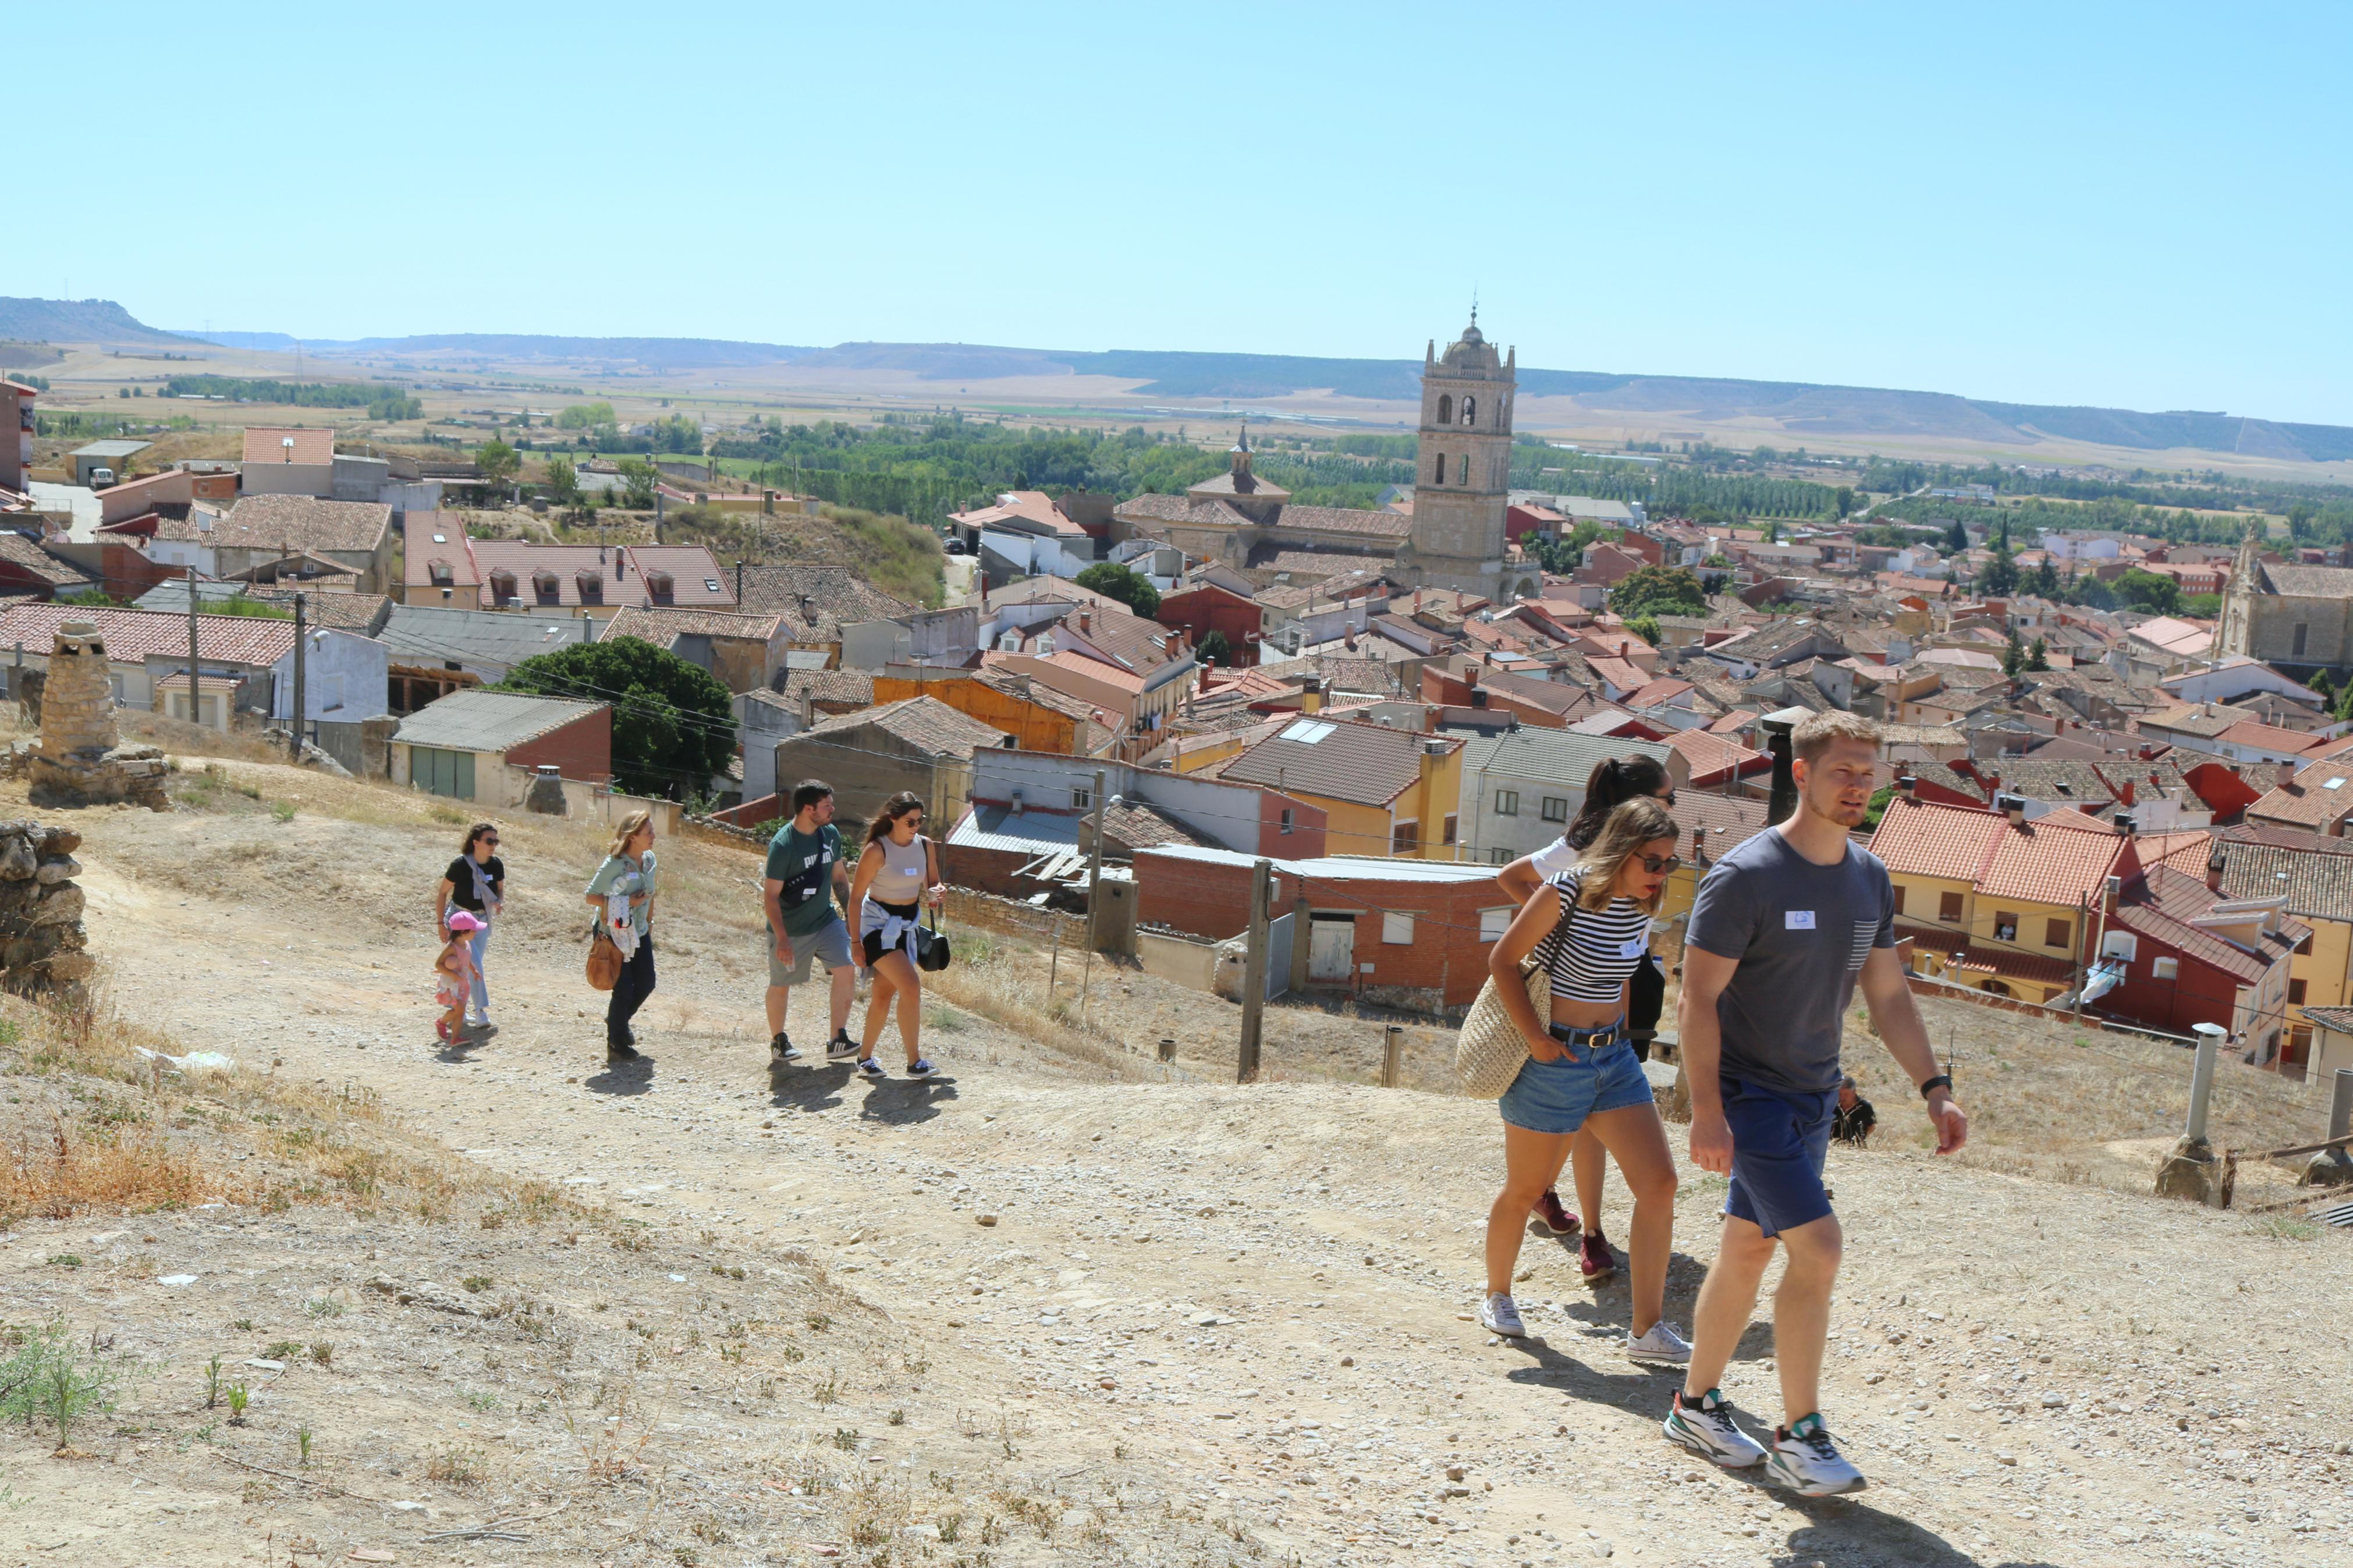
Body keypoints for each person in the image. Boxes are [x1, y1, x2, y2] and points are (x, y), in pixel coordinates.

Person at [1664, 711, 1967, 1496]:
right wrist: (1705, 1109)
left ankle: (1693, 1404)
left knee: (1746, 1248)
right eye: (1842, 771)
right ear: (1800, 774)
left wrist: (1933, 1088)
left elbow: (1885, 992)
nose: (1857, 785)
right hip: (1749, 1097)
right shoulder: (1745, 876)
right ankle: (1798, 1432)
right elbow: (1696, 998)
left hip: (1808, 1096)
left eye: (1867, 772)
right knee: (1819, 1247)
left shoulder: (1867, 876)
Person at [1478, 797, 1688, 1363]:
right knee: (1525, 1189)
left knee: (1659, 1185)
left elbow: (1620, 977)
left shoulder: (1642, 907)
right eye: (1652, 861)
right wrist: (1537, 1041)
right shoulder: (1565, 890)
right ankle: (1497, 1294)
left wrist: (1619, 1037)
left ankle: (1646, 1331)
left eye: (1669, 863)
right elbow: (1502, 960)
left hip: (1613, 1060)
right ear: (1621, 849)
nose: (1660, 875)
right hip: (1555, 1060)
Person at [1495, 754, 1677, 1284]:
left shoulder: (1650, 878)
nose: (1670, 805)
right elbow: (1511, 887)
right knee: (1544, 1161)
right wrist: (1553, 934)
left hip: (1616, 1016)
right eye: (1666, 796)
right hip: (1562, 1024)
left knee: (1609, 1136)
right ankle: (1552, 1233)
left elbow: (1627, 962)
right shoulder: (1578, 859)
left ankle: (1592, 1232)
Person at [845, 791, 946, 1081]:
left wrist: (938, 892)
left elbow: (933, 882)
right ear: (893, 819)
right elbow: (855, 900)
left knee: (883, 995)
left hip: (907, 926)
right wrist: (855, 943)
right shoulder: (877, 850)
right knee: (911, 985)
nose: (916, 827)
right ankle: (915, 1062)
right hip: (878, 927)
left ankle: (864, 1059)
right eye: (910, 821)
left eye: (920, 821)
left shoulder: (925, 846)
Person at [763, 780, 858, 1066]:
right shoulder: (783, 845)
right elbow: (770, 898)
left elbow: (839, 878)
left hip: (825, 920)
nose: (833, 809)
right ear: (808, 809)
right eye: (827, 805)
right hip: (790, 929)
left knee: (846, 967)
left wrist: (852, 917)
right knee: (781, 983)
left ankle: (837, 1040)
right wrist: (782, 939)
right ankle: (779, 1040)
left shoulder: (830, 834)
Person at [585, 810, 659, 1062]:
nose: (654, 836)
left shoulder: (650, 861)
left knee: (647, 983)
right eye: (649, 832)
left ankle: (618, 1020)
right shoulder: (615, 864)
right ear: (633, 835)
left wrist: (649, 922)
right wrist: (627, 900)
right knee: (624, 989)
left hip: (639, 931)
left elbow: (652, 894)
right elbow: (591, 896)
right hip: (613, 933)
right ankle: (616, 1042)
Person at [434, 823, 505, 1039]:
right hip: (460, 920)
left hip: (481, 921)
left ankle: (457, 1007)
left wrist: (498, 903)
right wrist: (440, 924)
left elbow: (500, 891)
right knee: (473, 963)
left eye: (496, 841)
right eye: (489, 841)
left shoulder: (496, 865)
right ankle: (480, 1011)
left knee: (467, 966)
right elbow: (442, 893)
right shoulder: (460, 865)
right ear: (476, 842)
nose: (493, 845)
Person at [434, 911, 482, 1044]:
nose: (476, 932)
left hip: (463, 984)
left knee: (460, 1012)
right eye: (473, 930)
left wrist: (474, 971)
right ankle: (442, 1023)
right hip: (453, 985)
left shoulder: (466, 944)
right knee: (459, 1010)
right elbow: (438, 964)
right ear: (464, 932)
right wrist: (452, 975)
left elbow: (467, 960)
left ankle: (455, 1039)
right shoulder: (452, 947)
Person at [1832, 1076, 1876, 1146]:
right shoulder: (1833, 1104)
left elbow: (1871, 1127)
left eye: (1846, 1094)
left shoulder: (1864, 1107)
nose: (1842, 1098)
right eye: (1840, 1094)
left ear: (1854, 1092)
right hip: (1834, 1147)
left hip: (1856, 1148)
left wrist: (1860, 1139)